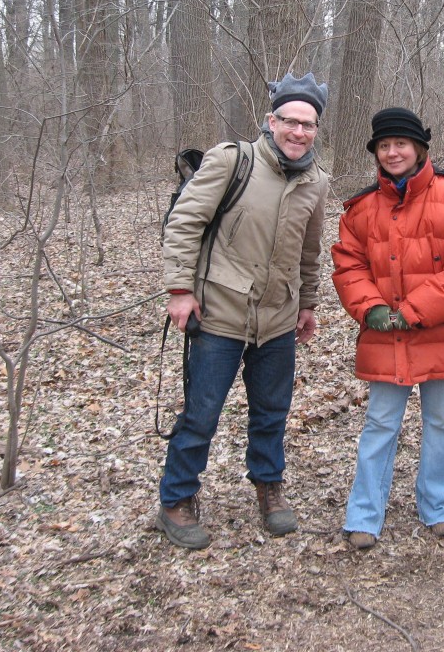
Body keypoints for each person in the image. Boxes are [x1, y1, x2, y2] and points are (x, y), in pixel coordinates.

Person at [156, 72, 330, 549]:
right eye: (290, 121)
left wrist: (309, 303)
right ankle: (177, 498)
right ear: (271, 120)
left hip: (278, 318)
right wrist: (179, 289)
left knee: (272, 412)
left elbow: (309, 251)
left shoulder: (316, 182)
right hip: (220, 314)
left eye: (308, 125)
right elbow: (186, 221)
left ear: (317, 130)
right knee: (203, 411)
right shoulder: (233, 161)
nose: (298, 132)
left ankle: (269, 487)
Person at [331, 108, 444, 550]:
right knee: (381, 421)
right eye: (384, 146)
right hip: (388, 335)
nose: (393, 152)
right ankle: (365, 513)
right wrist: (372, 308)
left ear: (420, 147)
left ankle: (435, 504)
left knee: (441, 421)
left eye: (400, 144)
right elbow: (349, 263)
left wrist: (413, 310)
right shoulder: (362, 208)